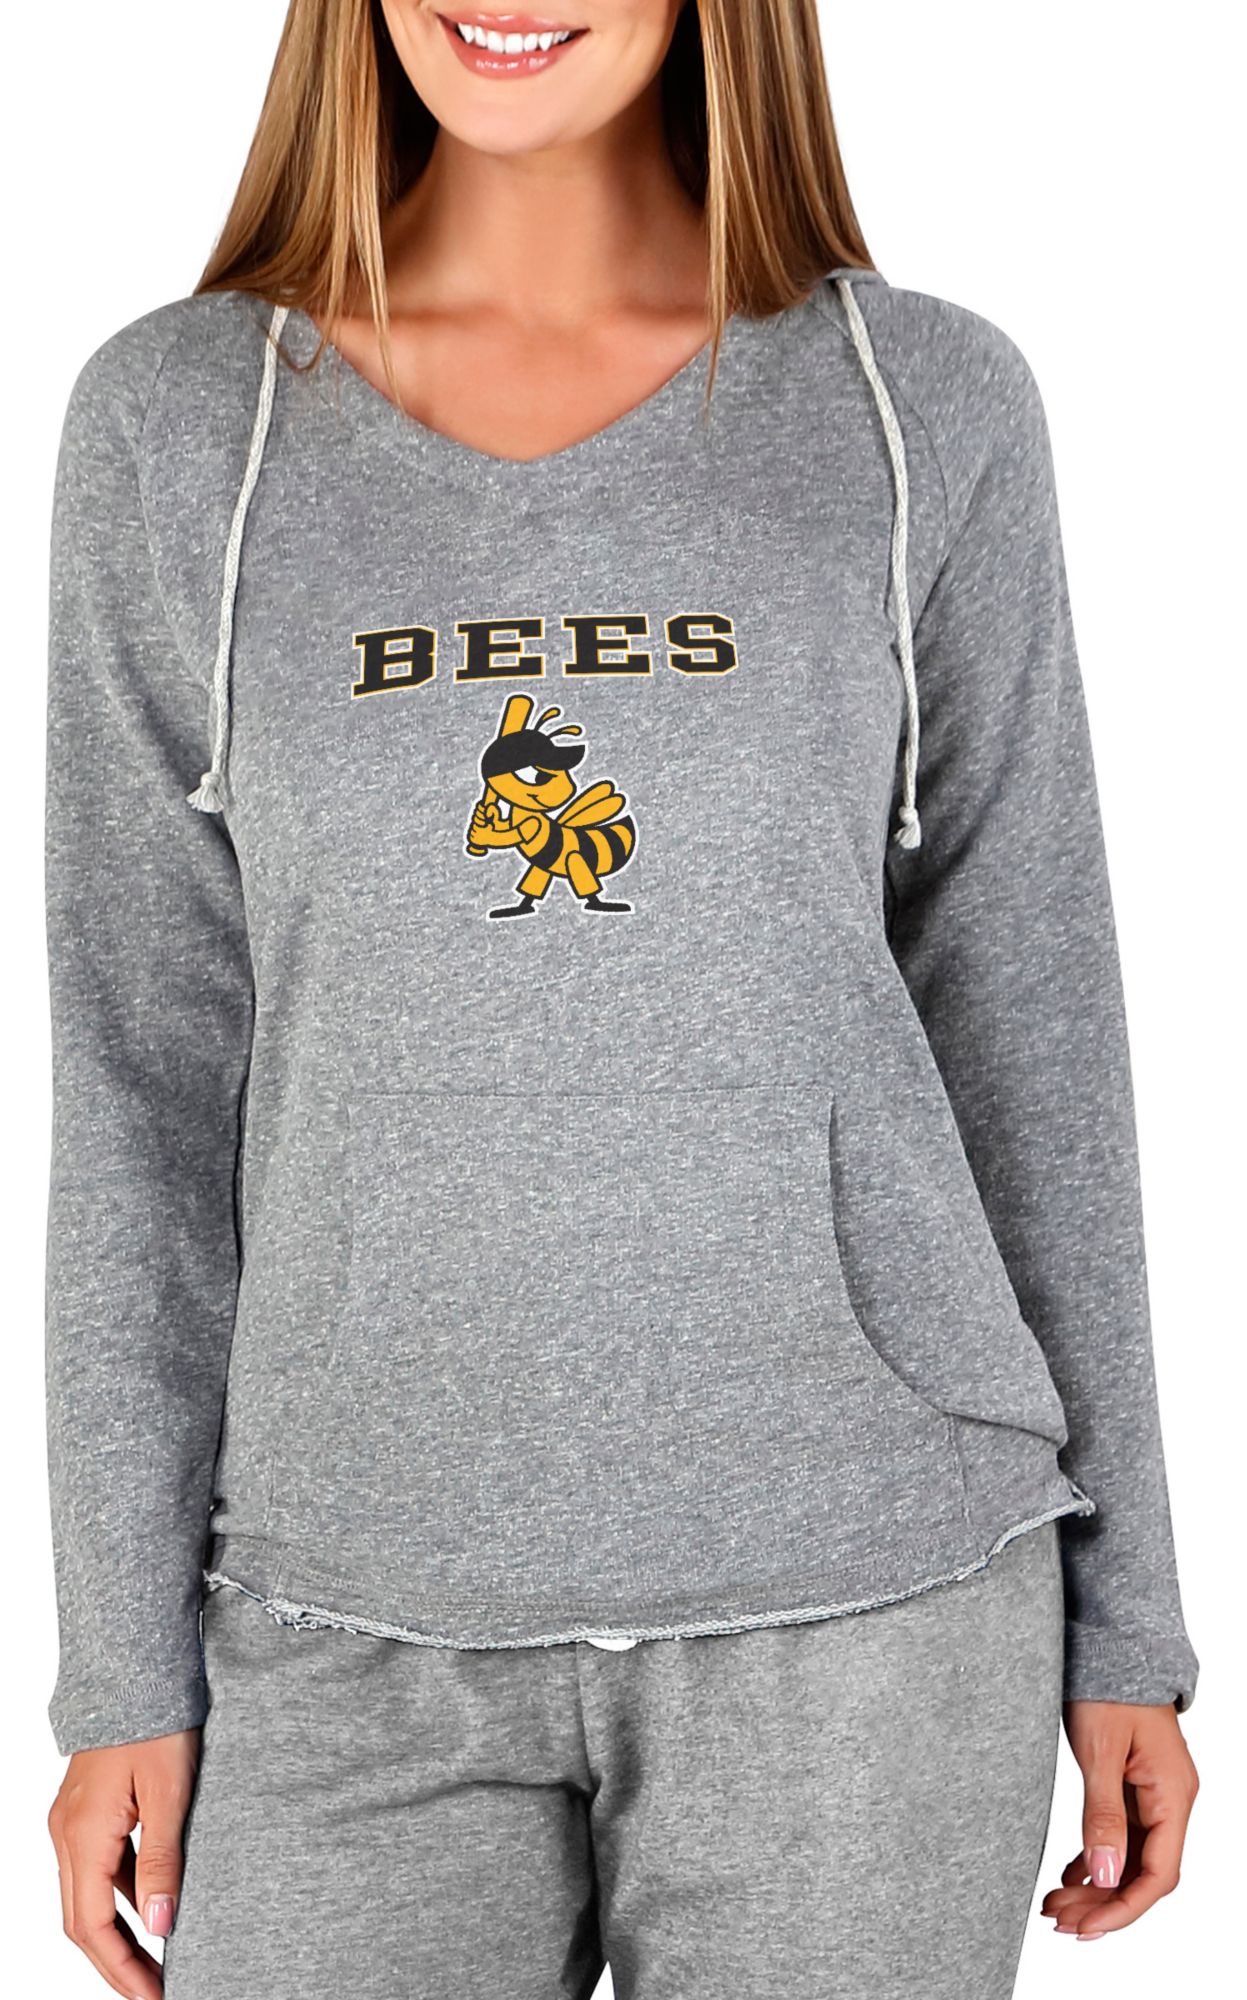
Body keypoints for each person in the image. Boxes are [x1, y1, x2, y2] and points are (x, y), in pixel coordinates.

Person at [42, 4, 1201, 1996]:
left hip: (874, 1608)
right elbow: (136, 1079)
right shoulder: (180, 429)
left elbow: (1032, 1022)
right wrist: (119, 1663)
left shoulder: (916, 406)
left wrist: (1132, 1623)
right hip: (341, 1623)